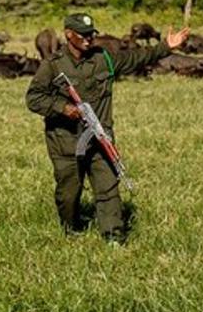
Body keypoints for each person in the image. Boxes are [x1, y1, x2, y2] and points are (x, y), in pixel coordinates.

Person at [25, 13, 190, 245]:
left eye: (92, 34)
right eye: (83, 35)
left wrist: (166, 47)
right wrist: (63, 108)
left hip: (100, 138)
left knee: (108, 187)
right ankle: (71, 230)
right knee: (69, 192)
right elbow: (33, 98)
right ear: (68, 35)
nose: (89, 38)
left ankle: (114, 237)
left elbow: (136, 58)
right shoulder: (52, 65)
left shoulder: (105, 58)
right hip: (65, 140)